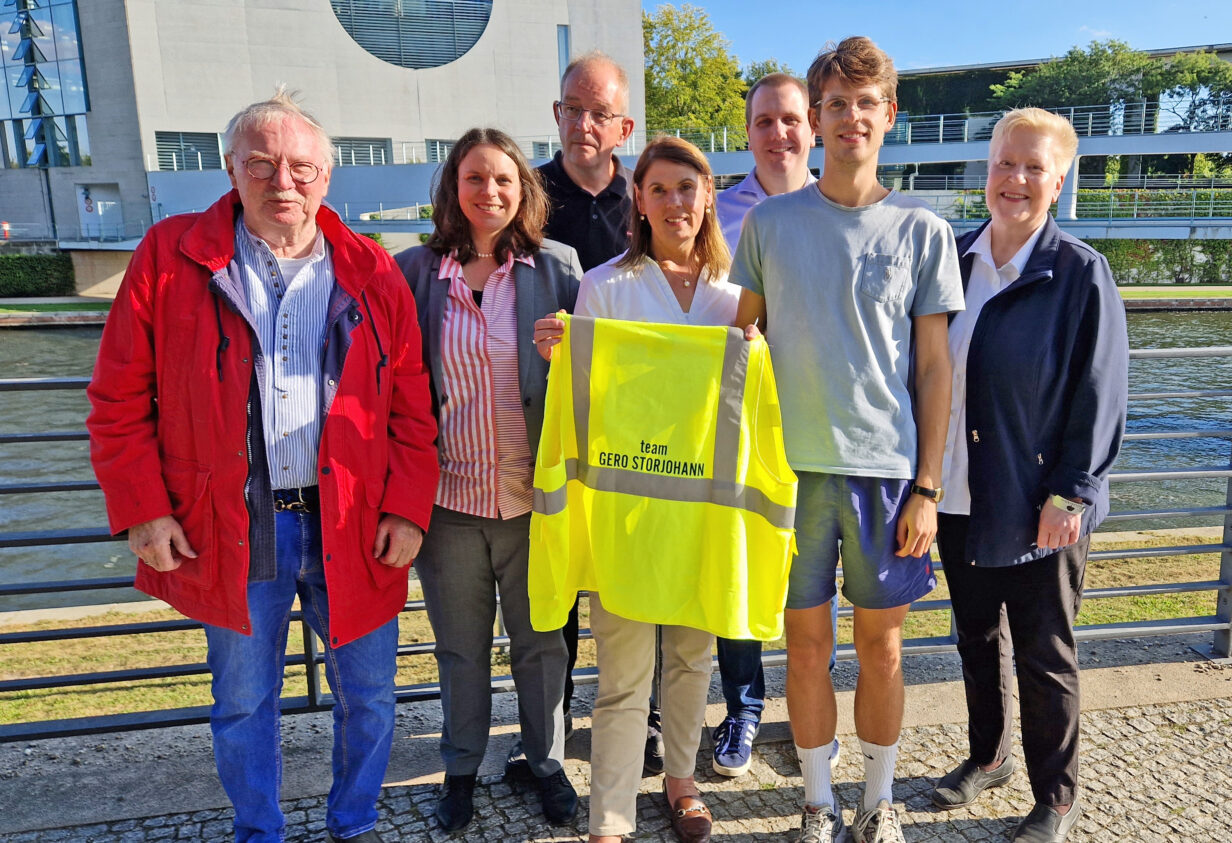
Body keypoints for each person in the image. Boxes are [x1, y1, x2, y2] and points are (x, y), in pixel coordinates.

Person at [86, 88, 439, 843]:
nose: (284, 181)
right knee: (243, 700)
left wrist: (408, 508)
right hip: (235, 526)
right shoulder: (169, 257)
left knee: (371, 696)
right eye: (262, 164)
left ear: (328, 177)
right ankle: (260, 833)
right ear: (230, 169)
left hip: (353, 523)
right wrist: (145, 508)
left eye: (303, 167)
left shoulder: (373, 271)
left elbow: (413, 405)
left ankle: (355, 824)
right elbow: (118, 397)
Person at [730, 37, 964, 843]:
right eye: (836, 103)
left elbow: (935, 370)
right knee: (801, 648)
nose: (851, 117)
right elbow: (736, 350)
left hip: (888, 476)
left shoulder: (923, 230)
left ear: (889, 116)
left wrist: (929, 486)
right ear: (819, 116)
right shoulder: (768, 224)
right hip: (788, 475)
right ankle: (818, 803)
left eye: (867, 103)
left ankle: (879, 799)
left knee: (883, 647)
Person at [929, 107, 1128, 843]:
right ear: (987, 170)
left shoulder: (1078, 272)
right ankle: (988, 755)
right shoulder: (949, 258)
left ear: (1058, 179)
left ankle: (1057, 794)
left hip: (1038, 499)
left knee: (1046, 654)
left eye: (1033, 168)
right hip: (956, 494)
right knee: (975, 638)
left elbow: (1101, 390)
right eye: (1004, 163)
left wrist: (1072, 491)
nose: (1016, 179)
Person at [535, 135, 735, 843]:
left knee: (689, 658)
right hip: (625, 511)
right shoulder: (607, 285)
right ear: (639, 203)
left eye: (688, 187)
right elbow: (587, 393)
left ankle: (681, 783)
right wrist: (562, 352)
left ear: (708, 195)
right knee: (622, 672)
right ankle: (611, 812)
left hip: (703, 512)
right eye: (659, 189)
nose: (675, 201)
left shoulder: (737, 296)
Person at [395, 127, 583, 834]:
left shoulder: (557, 267)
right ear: (454, 187)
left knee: (542, 644)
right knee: (460, 647)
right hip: (447, 504)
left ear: (522, 189)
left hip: (534, 501)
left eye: (503, 179)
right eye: (475, 178)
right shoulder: (415, 271)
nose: (490, 191)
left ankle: (547, 762)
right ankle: (461, 769)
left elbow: (594, 371)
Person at [529, 49, 669, 777]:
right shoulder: (523, 194)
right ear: (557, 114)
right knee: (557, 586)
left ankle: (641, 721)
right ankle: (547, 739)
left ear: (624, 125)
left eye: (599, 113)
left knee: (631, 579)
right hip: (550, 420)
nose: (583, 124)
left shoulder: (645, 199)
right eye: (571, 109)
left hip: (635, 428)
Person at [711, 71, 840, 781]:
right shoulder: (717, 211)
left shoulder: (840, 203)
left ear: (813, 125)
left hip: (821, 427)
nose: (779, 133)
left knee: (809, 583)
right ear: (749, 130)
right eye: (764, 120)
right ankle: (743, 705)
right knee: (739, 574)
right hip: (739, 426)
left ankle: (808, 712)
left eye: (791, 119)